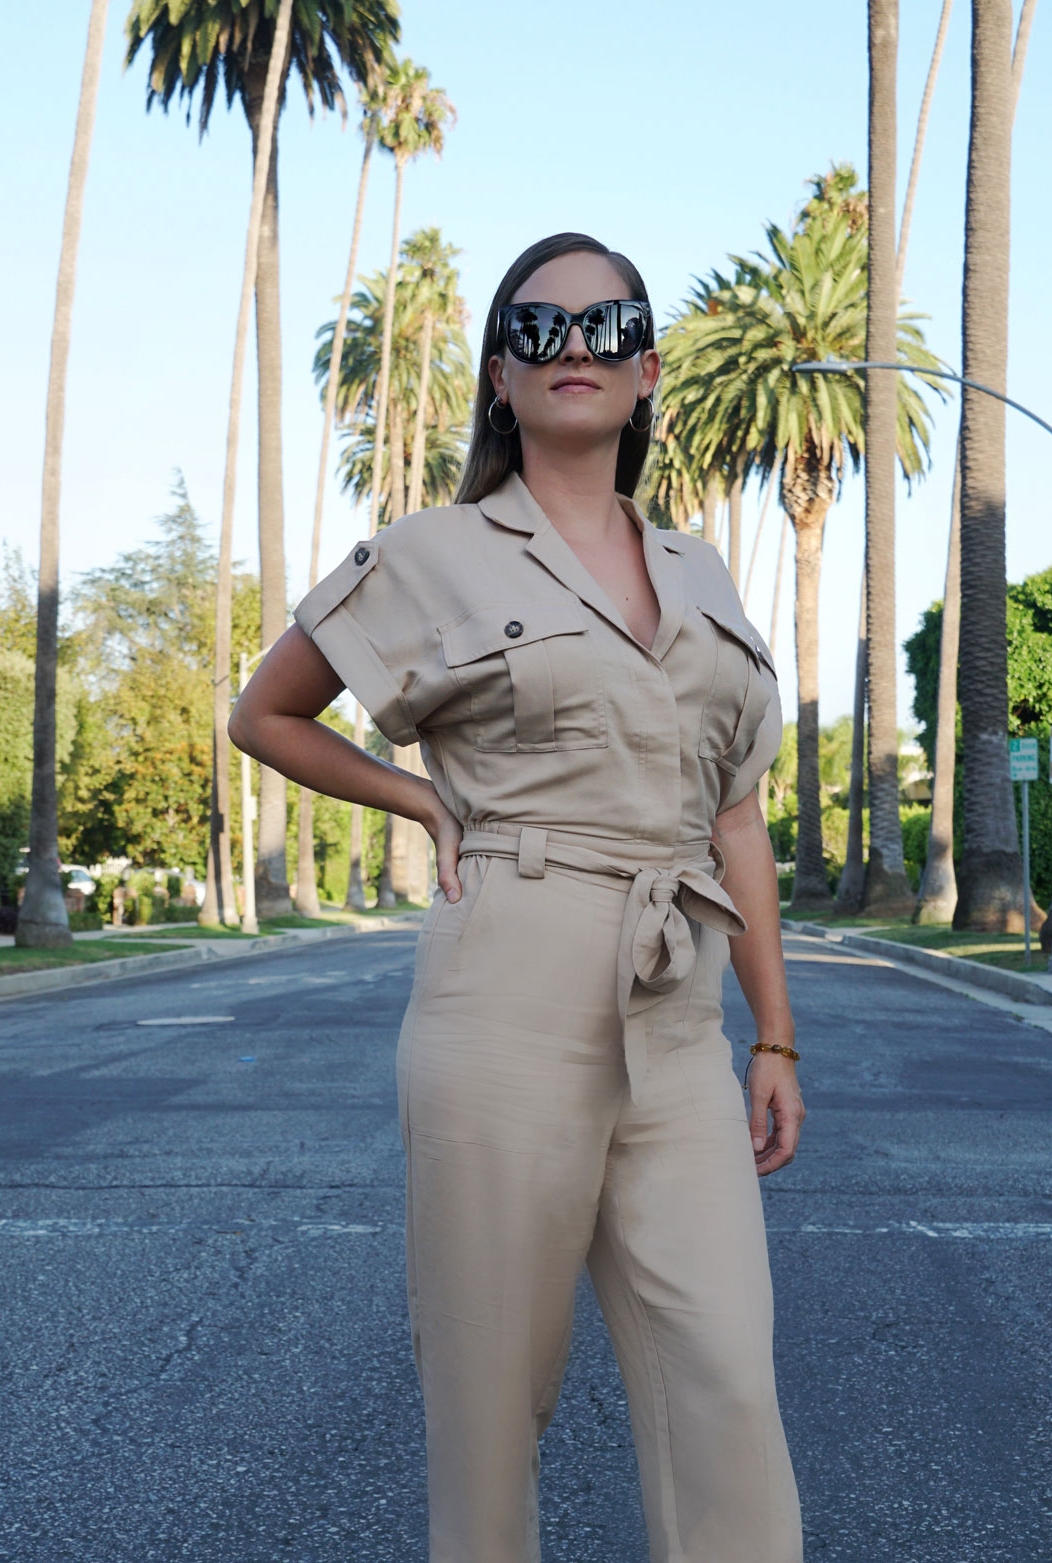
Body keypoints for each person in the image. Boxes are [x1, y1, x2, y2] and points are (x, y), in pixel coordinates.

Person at [229, 232, 805, 1563]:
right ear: (500, 376)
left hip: (677, 1020)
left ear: (649, 369)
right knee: (491, 1417)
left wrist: (772, 1035)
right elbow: (268, 714)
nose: (576, 351)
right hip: (506, 994)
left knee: (725, 1383)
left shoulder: (704, 574)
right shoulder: (436, 553)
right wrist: (423, 800)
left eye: (609, 327)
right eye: (538, 331)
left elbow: (734, 816)